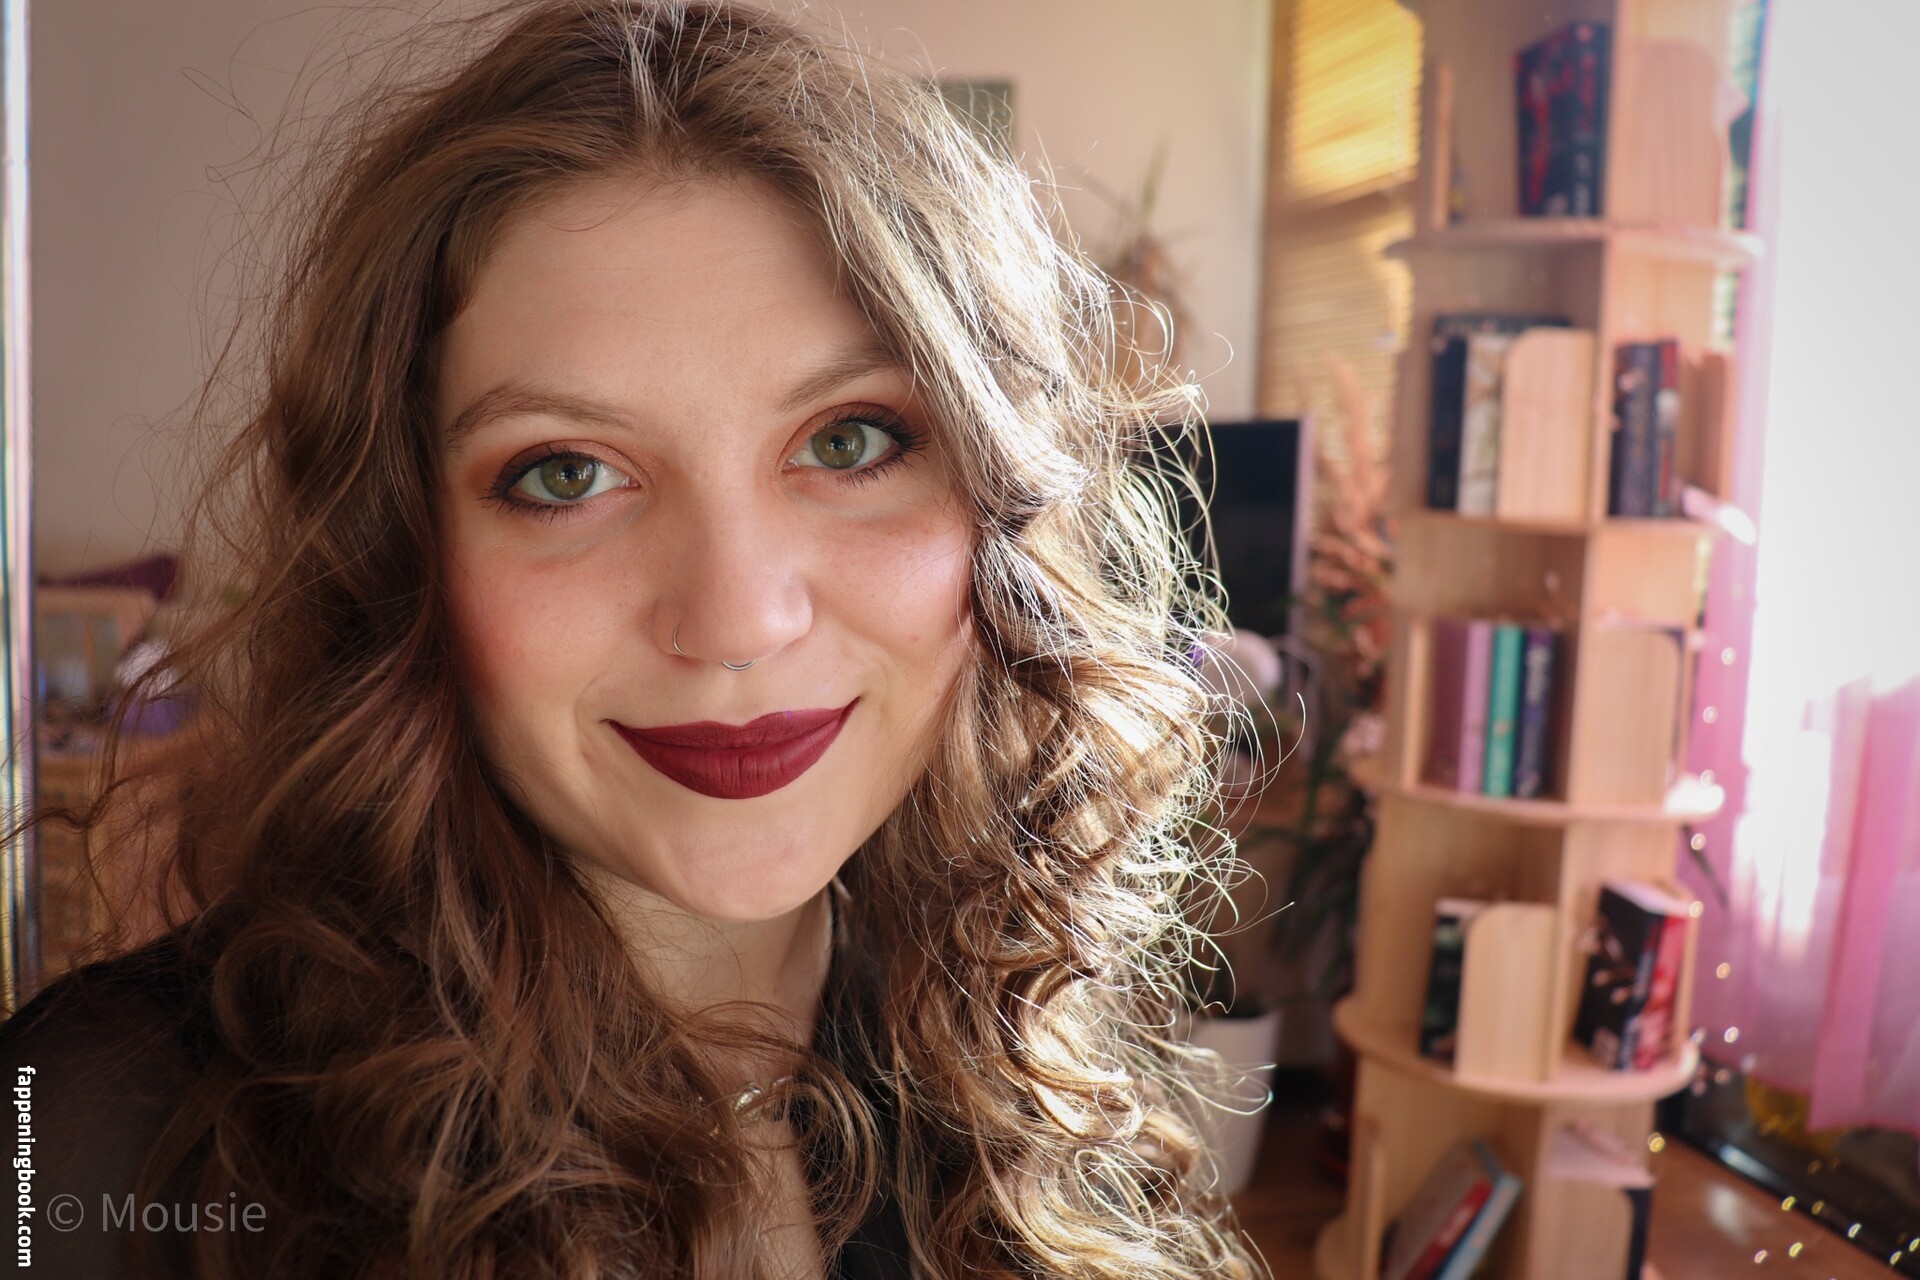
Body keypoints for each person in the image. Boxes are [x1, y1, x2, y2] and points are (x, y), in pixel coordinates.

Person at [0, 3, 1258, 1277]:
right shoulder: (99, 1137)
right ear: (404, 552)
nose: (738, 618)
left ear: (993, 504)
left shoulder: (1002, 1036)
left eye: (848, 440)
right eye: (566, 473)